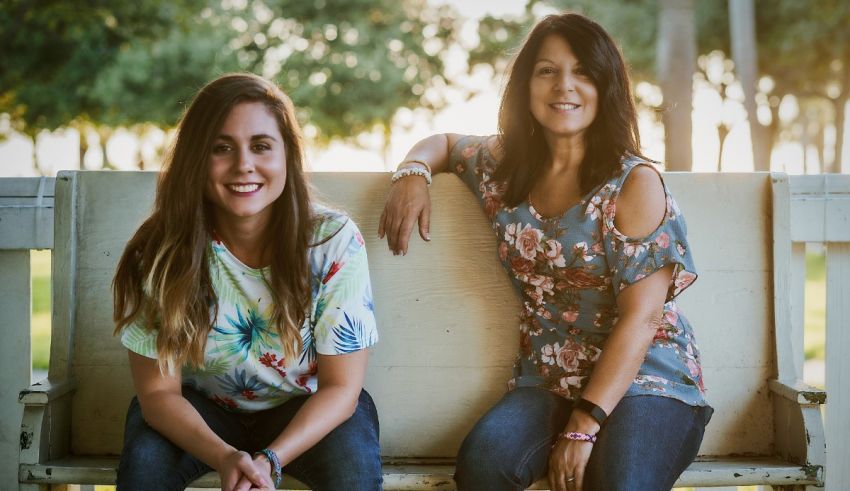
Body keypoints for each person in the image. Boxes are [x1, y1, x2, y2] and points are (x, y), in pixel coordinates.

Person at [379, 12, 712, 491]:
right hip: (549, 377)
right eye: (547, 70)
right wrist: (413, 172)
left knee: (619, 482)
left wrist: (585, 424)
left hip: (647, 379)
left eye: (582, 72)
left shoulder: (633, 183)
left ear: (605, 86)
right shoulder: (502, 165)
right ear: (526, 85)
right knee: (484, 464)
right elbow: (445, 143)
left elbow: (642, 319)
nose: (564, 86)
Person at [112, 73, 381, 491]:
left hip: (305, 406)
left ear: (287, 156)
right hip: (199, 411)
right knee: (144, 466)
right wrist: (225, 456)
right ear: (196, 160)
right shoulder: (163, 251)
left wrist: (269, 461)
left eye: (260, 146)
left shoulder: (332, 243)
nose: (243, 165)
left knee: (354, 473)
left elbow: (342, 388)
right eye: (221, 148)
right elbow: (159, 395)